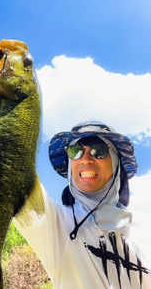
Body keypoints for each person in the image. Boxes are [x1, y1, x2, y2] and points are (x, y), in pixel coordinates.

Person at [14, 120, 151, 289]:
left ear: (117, 163)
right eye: (75, 150)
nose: (86, 159)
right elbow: (10, 168)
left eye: (99, 150)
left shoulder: (146, 227)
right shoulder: (56, 224)